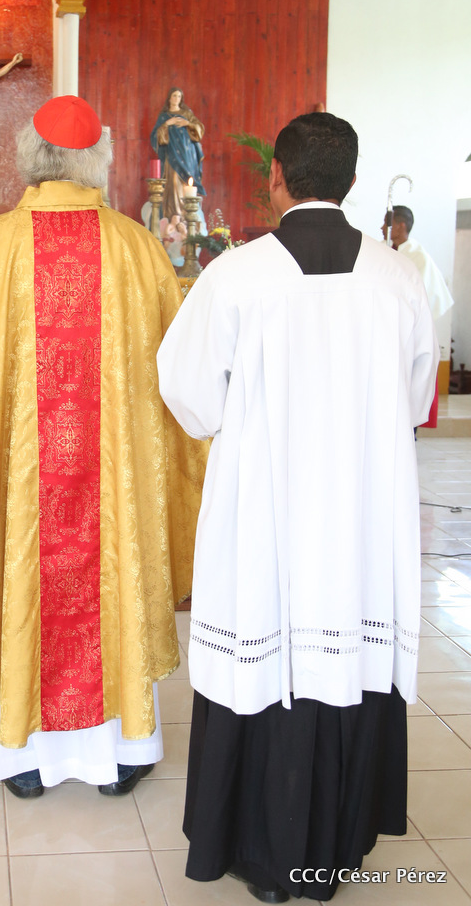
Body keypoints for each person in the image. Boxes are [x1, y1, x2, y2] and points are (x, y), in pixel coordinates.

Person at [157, 112, 438, 903]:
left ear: (276, 176)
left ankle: (261, 855)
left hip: (264, 510)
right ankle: (339, 845)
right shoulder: (397, 278)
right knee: (349, 650)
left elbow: (188, 393)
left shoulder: (236, 275)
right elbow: (417, 393)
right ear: (353, 182)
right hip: (362, 517)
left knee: (262, 641)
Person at [0, 95, 207, 800]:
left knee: (22, 570)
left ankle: (18, 754)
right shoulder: (136, 248)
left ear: (29, 158)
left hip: (22, 483)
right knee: (114, 567)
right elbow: (179, 368)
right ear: (96, 162)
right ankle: (122, 750)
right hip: (112, 480)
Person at [384, 205, 453, 429]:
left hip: (409, 335)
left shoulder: (417, 257)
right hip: (390, 333)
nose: (382, 227)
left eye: (387, 223)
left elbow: (422, 300)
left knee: (408, 391)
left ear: (400, 225)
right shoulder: (387, 251)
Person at [150, 87, 206, 220]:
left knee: (187, 182)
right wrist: (167, 124)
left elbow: (199, 130)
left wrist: (188, 124)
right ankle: (174, 214)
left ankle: (187, 216)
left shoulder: (187, 113)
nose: (176, 99)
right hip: (172, 155)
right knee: (174, 182)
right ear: (169, 98)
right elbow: (156, 136)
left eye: (179, 96)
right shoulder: (164, 116)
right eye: (174, 96)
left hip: (187, 154)